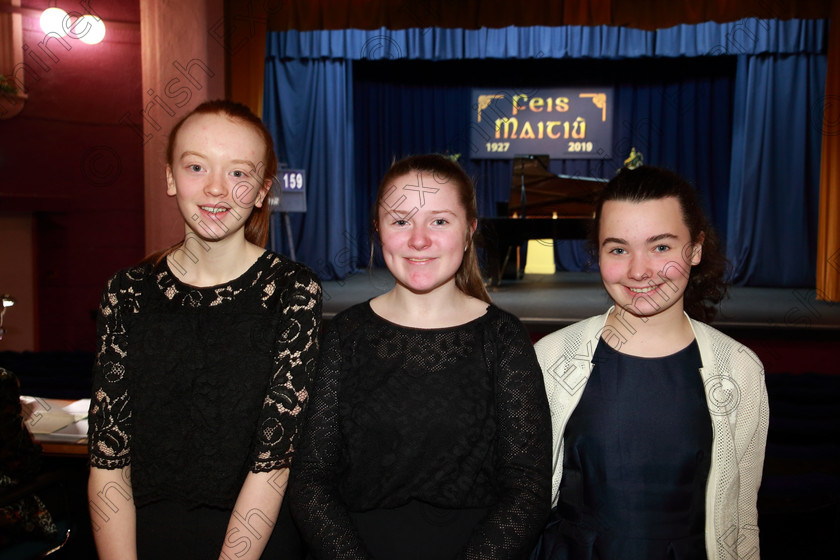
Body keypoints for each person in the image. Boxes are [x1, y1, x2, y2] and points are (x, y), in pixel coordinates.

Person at [87, 100, 322, 560]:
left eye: (238, 173)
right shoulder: (127, 291)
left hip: (251, 540)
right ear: (171, 177)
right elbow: (107, 457)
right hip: (134, 535)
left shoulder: (294, 290)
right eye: (197, 167)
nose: (217, 189)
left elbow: (273, 463)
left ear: (261, 190)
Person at [288, 154, 552, 560]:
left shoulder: (503, 338)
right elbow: (310, 481)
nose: (419, 240)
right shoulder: (344, 335)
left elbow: (527, 490)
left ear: (469, 231)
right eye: (400, 220)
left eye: (440, 221)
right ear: (378, 230)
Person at [532, 166, 768, 560]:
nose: (638, 271)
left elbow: (742, 517)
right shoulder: (551, 357)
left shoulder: (740, 369)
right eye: (618, 249)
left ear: (694, 249)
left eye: (660, 247)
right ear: (599, 255)